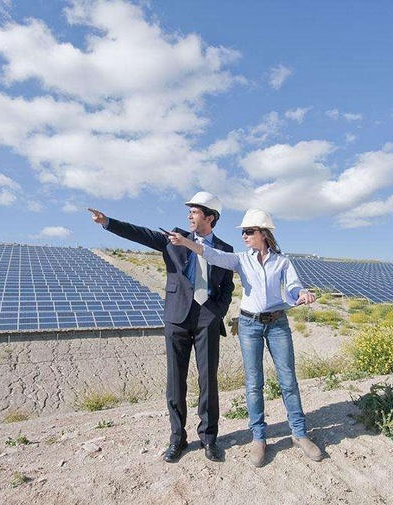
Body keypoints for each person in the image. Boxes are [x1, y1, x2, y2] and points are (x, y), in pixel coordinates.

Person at [168, 208, 323, 468]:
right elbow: (213, 254)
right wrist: (187, 242)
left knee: (288, 380)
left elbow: (294, 285)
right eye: (243, 232)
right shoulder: (241, 259)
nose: (244, 236)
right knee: (254, 383)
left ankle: (299, 434)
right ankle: (259, 438)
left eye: (249, 231)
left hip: (277, 324)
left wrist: (302, 293)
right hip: (250, 325)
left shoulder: (282, 262)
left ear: (264, 234)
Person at [88, 191, 235, 463]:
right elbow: (140, 233)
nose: (189, 215)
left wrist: (218, 312)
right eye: (189, 211)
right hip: (177, 316)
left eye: (195, 211)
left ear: (210, 217)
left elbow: (227, 285)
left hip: (207, 318)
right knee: (175, 382)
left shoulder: (225, 249)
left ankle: (209, 439)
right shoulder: (174, 238)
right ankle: (177, 439)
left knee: (208, 380)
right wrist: (108, 221)